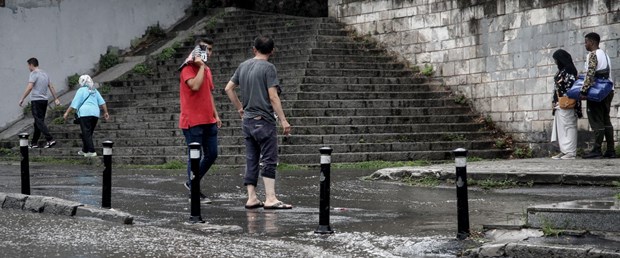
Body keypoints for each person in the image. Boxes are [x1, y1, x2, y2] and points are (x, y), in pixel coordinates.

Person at [225, 36, 293, 210]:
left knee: (251, 158)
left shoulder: (243, 66)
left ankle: (252, 198)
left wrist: (240, 108)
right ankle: (270, 198)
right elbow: (273, 96)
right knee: (269, 158)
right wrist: (284, 120)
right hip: (263, 120)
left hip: (247, 121)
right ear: (272, 51)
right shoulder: (269, 68)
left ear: (254, 49)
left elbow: (228, 88)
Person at [179, 38, 221, 204]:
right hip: (192, 121)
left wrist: (215, 114)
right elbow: (195, 86)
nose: (208, 53)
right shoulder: (187, 68)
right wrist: (201, 66)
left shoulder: (207, 69)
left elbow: (208, 93)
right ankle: (194, 190)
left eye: (210, 50)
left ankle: (191, 183)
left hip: (208, 119)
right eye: (204, 50)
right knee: (195, 156)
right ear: (196, 51)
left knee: (212, 154)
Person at [580, 32, 615, 159]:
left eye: (586, 42)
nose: (585, 45)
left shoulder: (593, 55)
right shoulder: (605, 55)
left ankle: (597, 149)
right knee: (606, 119)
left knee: (596, 120)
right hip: (608, 90)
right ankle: (611, 150)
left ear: (592, 42)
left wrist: (584, 91)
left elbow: (590, 74)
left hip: (597, 92)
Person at [18, 57, 60, 148]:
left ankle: (50, 139)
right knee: (38, 122)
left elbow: (29, 87)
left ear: (31, 65)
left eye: (28, 66)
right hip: (44, 101)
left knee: (38, 121)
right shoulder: (45, 74)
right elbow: (51, 86)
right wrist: (56, 98)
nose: (28, 68)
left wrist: (22, 98)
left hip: (36, 101)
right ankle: (34, 143)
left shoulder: (33, 73)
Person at [62, 75, 109, 157]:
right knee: (88, 133)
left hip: (85, 113)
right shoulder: (94, 90)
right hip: (95, 114)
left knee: (86, 133)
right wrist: (106, 112)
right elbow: (102, 102)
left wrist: (66, 113)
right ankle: (85, 150)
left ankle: (92, 151)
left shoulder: (81, 90)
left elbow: (74, 103)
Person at [550, 49, 581, 160]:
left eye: (556, 60)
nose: (555, 62)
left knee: (569, 126)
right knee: (562, 128)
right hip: (560, 103)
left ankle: (570, 152)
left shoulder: (569, 70)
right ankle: (564, 150)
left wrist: (565, 99)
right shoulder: (562, 70)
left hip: (568, 103)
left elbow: (571, 87)